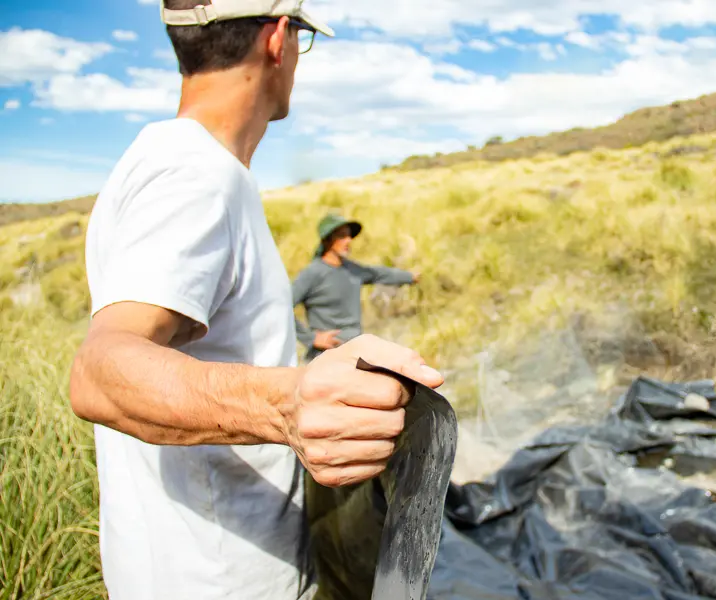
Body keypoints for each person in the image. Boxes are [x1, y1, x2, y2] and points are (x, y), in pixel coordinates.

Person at [67, 2, 443, 600]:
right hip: (220, 580)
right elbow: (99, 372)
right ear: (277, 39)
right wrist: (288, 404)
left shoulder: (176, 164)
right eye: (302, 40)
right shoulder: (194, 176)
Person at [293, 213, 421, 362]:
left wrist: (410, 277)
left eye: (349, 236)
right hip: (326, 356)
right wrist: (311, 338)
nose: (348, 240)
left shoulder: (352, 270)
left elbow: (378, 273)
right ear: (327, 240)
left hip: (356, 352)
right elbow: (283, 307)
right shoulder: (312, 273)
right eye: (341, 236)